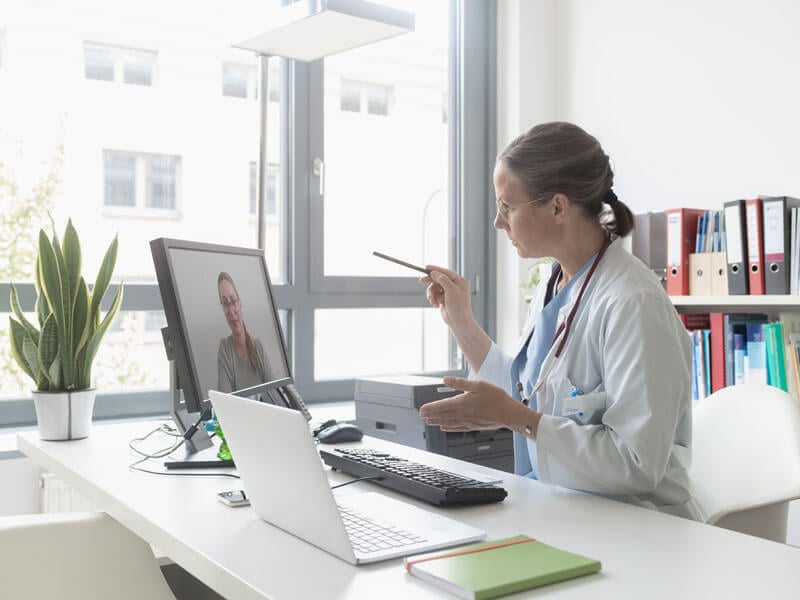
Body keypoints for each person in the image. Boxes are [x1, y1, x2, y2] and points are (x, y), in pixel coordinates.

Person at [419, 121, 703, 520]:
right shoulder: (554, 284)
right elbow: (527, 393)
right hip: (564, 509)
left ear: (557, 206)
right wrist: (460, 321)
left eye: (506, 207)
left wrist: (514, 417)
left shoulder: (633, 302)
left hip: (640, 526)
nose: (498, 223)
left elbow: (636, 464)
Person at [217, 271, 268, 393]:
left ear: (240, 303)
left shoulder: (258, 347)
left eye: (233, 301)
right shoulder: (225, 349)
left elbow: (274, 392)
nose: (231, 310)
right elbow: (225, 401)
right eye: (225, 303)